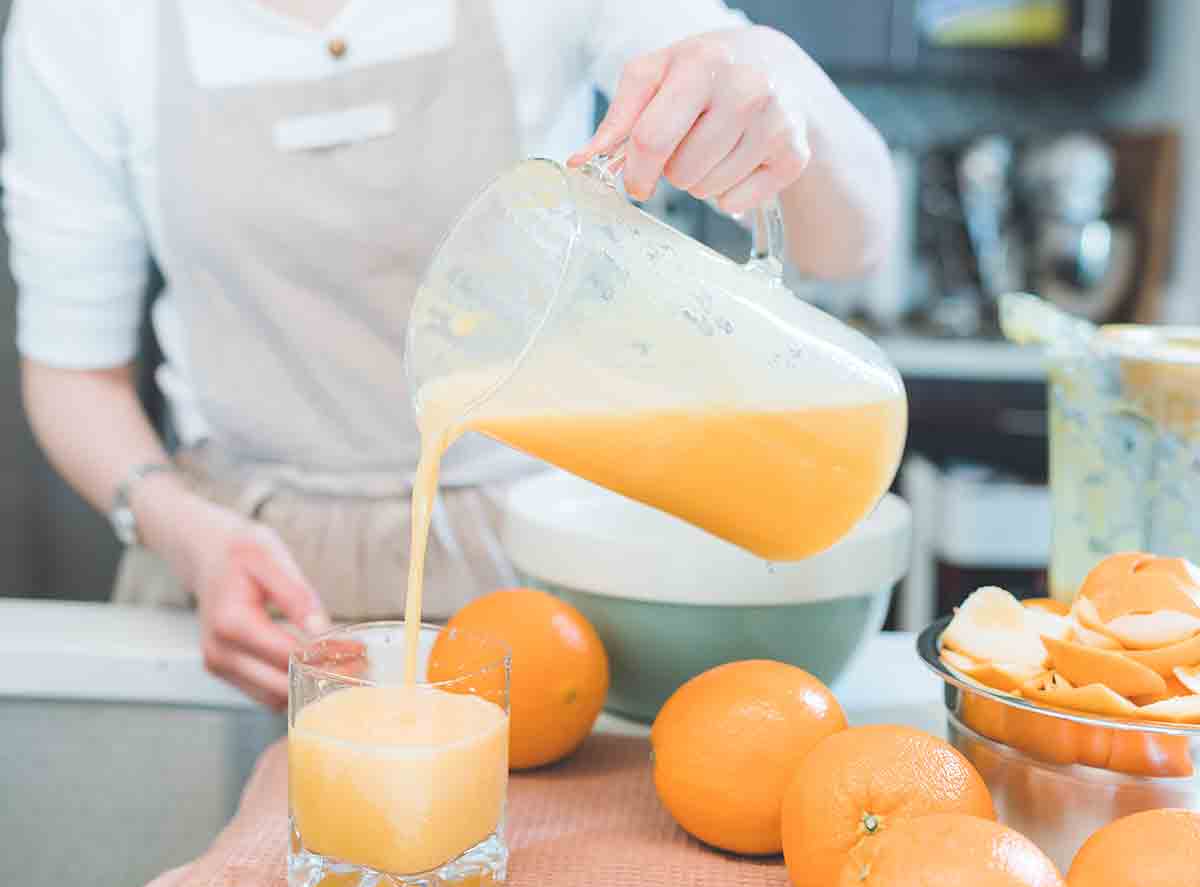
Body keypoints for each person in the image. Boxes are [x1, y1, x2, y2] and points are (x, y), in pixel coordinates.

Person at [3, 0, 897, 709]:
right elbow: (71, 371)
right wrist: (180, 529)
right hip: (238, 586)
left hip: (533, 580)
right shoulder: (81, 19)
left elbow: (853, 242)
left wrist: (776, 81)